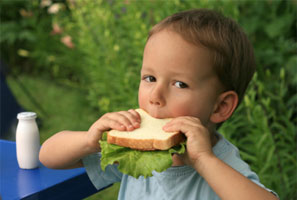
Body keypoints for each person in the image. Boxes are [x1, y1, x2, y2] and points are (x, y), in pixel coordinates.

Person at [39, 9, 278, 199]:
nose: (156, 95)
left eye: (180, 84)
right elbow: (48, 156)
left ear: (220, 107)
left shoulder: (219, 163)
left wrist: (204, 161)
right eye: (150, 78)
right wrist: (90, 140)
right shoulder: (135, 150)